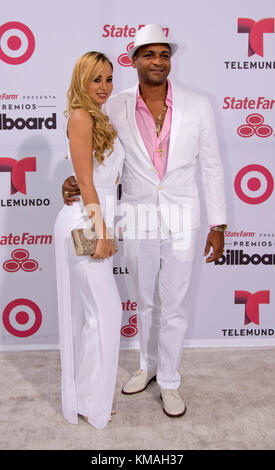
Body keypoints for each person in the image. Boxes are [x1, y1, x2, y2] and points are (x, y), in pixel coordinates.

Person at [62, 25, 227, 418]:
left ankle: (169, 380)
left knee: (175, 303)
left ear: (170, 61)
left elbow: (213, 167)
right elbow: (93, 153)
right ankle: (147, 365)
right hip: (135, 216)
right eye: (149, 54)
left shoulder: (199, 104)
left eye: (164, 55)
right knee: (146, 299)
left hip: (184, 217)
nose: (158, 61)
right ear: (133, 60)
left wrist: (218, 225)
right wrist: (70, 179)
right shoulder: (113, 105)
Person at [54, 51, 125, 429]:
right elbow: (84, 183)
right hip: (86, 222)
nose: (103, 86)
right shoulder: (81, 116)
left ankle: (87, 397)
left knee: (96, 317)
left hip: (97, 216)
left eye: (108, 78)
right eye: (96, 78)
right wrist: (101, 233)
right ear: (81, 79)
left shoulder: (100, 117)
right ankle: (90, 401)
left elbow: (89, 177)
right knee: (106, 312)